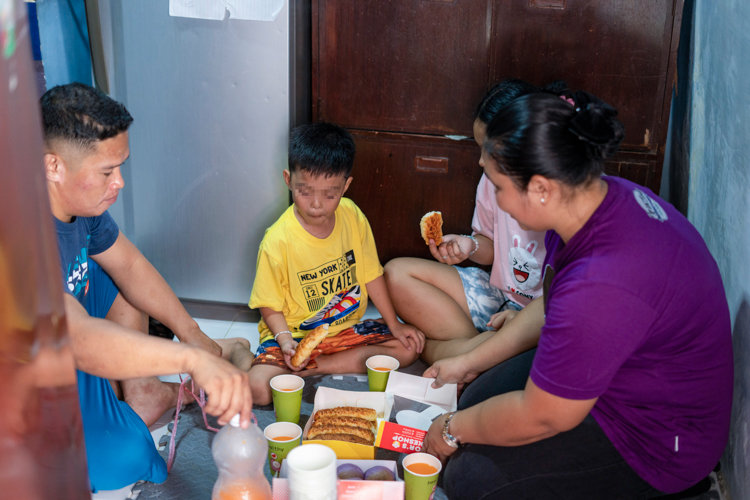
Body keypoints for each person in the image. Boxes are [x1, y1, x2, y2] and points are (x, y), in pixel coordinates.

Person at [420, 91, 733, 499]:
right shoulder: (591, 200)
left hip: (660, 443)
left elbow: (543, 415)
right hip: (621, 373)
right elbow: (551, 305)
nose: (495, 200)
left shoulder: (602, 284)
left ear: (541, 188)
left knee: (470, 478)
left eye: (497, 186)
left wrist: (450, 430)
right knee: (477, 395)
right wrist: (467, 361)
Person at [42, 83, 254, 491]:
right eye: (107, 172)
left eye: (120, 167)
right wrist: (192, 360)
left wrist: (194, 335)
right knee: (127, 461)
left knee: (115, 274)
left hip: (70, 333)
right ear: (54, 166)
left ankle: (144, 390)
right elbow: (79, 338)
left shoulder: (80, 206)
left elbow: (131, 264)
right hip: (37, 372)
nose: (119, 182)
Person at [385, 79, 568, 364]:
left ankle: (465, 353)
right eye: (478, 148)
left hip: (541, 314)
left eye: (489, 151)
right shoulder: (489, 181)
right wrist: (468, 246)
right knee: (395, 273)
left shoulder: (563, 197)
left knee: (431, 350)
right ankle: (482, 350)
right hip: (498, 295)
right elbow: (493, 247)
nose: (481, 162)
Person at [247, 122, 424, 405]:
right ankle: (244, 353)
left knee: (409, 348)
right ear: (288, 180)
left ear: (346, 186)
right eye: (305, 192)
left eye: (329, 194)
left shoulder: (352, 215)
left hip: (344, 331)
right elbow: (269, 305)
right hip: (291, 336)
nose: (316, 204)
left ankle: (315, 367)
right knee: (259, 390)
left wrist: (394, 324)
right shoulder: (276, 241)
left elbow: (371, 275)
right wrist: (285, 342)